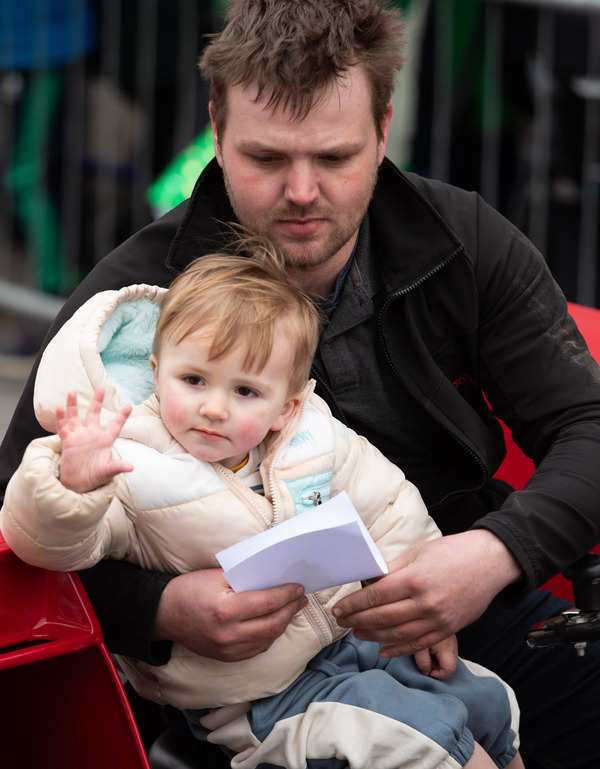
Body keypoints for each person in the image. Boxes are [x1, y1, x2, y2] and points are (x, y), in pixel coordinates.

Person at [0, 0, 599, 766]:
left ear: (383, 130)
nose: (303, 191)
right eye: (268, 158)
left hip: (455, 599)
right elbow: (20, 518)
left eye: (335, 157)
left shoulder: (464, 238)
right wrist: (158, 608)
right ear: (216, 132)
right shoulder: (129, 303)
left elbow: (588, 425)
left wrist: (490, 554)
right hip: (237, 679)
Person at [1, 238, 524, 769]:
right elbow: (51, 548)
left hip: (353, 639)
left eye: (245, 392)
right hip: (257, 701)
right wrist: (73, 486)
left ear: (285, 407)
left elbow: (390, 510)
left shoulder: (312, 435)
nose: (213, 408)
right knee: (427, 740)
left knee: (488, 702)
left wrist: (422, 612)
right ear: (157, 371)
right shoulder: (129, 462)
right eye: (193, 380)